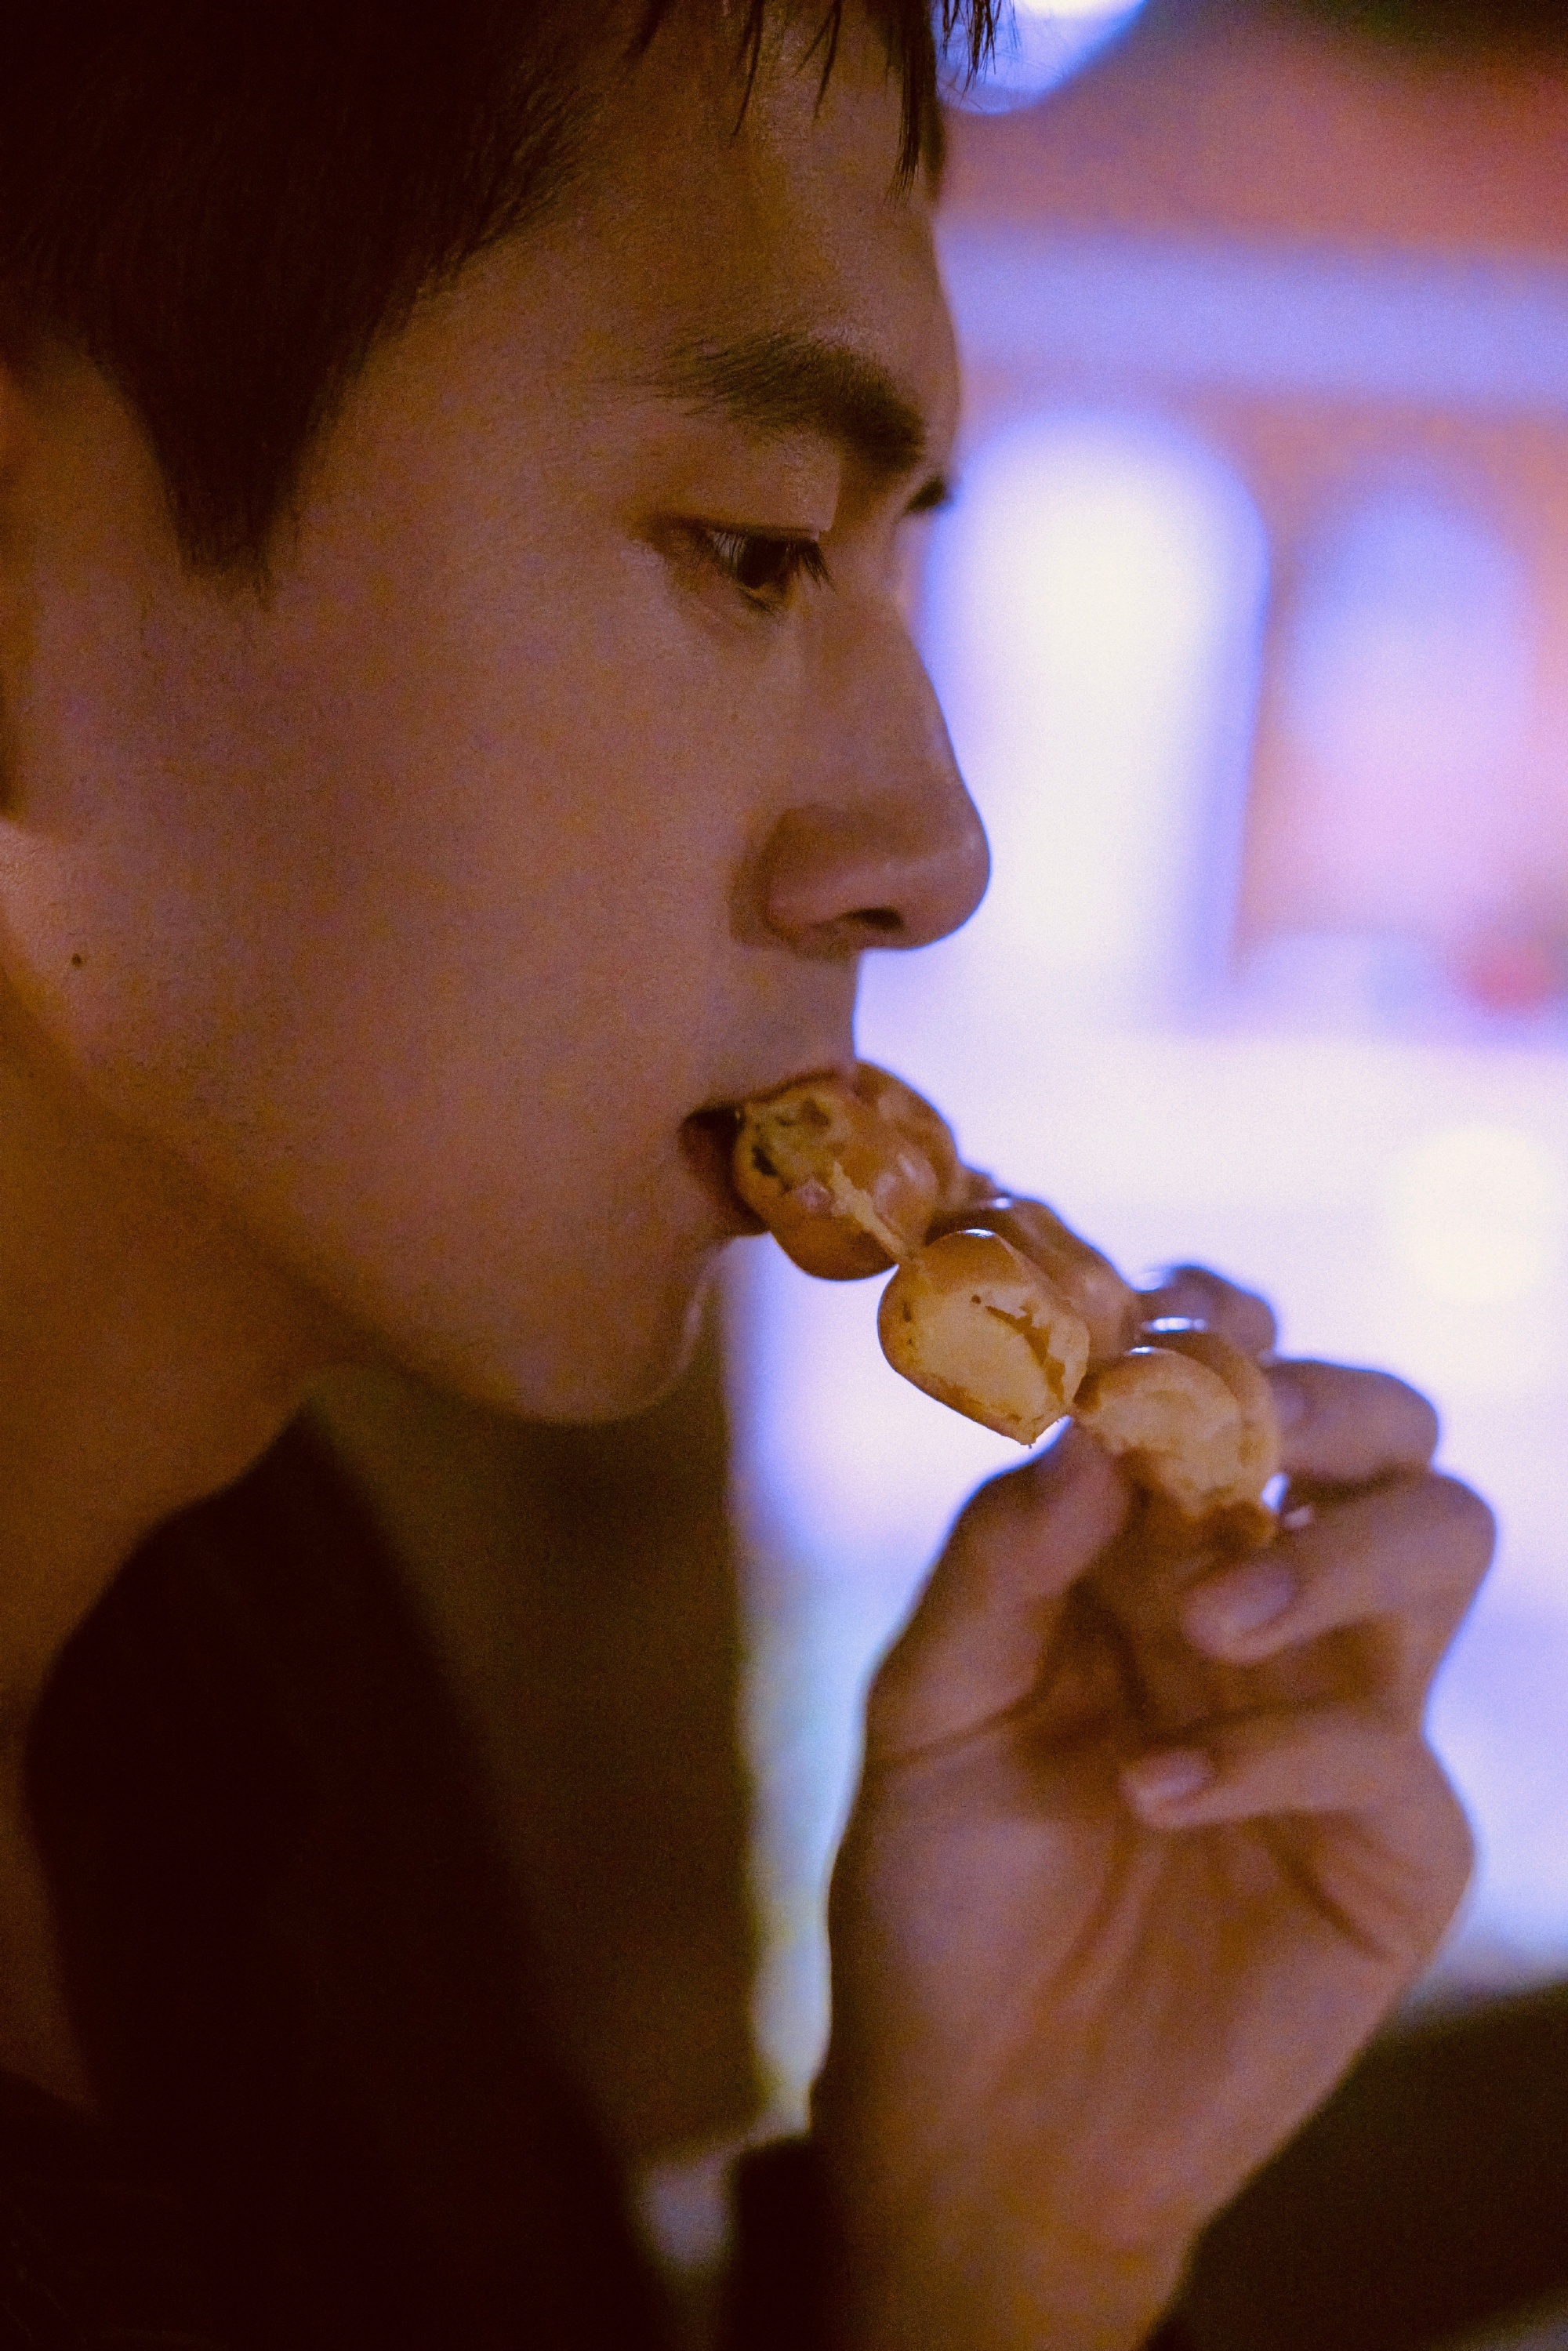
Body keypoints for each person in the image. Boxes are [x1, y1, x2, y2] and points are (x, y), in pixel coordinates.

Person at [0, 3, 1495, 2345]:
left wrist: (992, 2251)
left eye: (893, 566)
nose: (935, 852)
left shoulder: (264, 1677)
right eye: (755, 549)